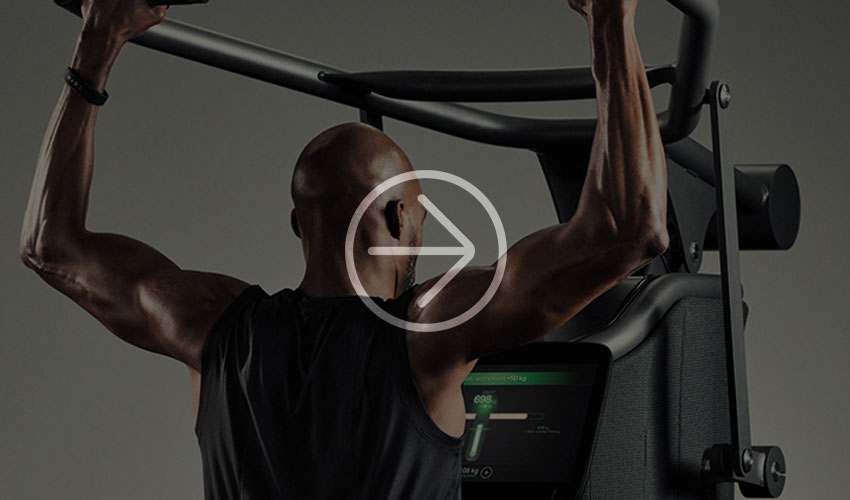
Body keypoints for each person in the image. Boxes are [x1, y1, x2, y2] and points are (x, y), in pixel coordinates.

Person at [20, 0, 668, 498]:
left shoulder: (210, 324)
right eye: (420, 216)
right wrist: (612, 16)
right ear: (392, 215)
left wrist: (98, 41)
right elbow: (631, 226)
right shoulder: (425, 332)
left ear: (299, 227)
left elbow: (49, 243)